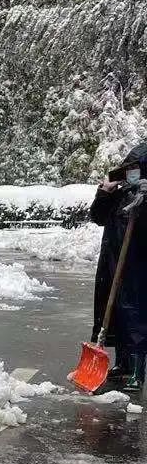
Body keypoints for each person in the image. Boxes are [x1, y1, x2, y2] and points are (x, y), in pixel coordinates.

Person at [90, 142, 147, 390]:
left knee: (135, 317)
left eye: (136, 168)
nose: (131, 172)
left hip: (138, 266)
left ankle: (137, 370)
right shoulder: (120, 192)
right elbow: (97, 217)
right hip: (113, 264)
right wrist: (105, 192)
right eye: (128, 168)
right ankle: (123, 364)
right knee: (115, 315)